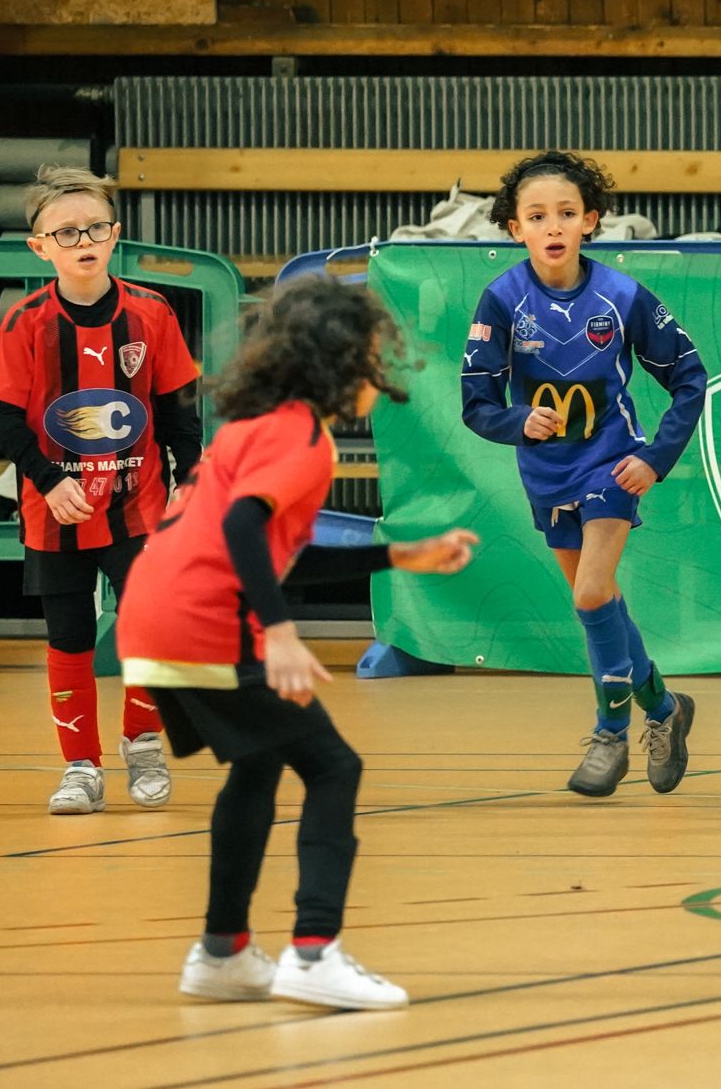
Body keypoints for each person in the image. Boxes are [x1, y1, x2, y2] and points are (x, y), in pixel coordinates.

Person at [118, 276, 479, 1009]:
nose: (383, 368)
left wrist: (398, 556)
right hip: (205, 618)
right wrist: (278, 632)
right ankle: (315, 952)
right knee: (333, 766)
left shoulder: (256, 425)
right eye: (375, 354)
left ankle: (223, 952)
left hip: (153, 611)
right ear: (342, 362)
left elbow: (272, 549)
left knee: (256, 766)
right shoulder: (304, 440)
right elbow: (242, 530)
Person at [461, 151, 706, 798]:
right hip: (546, 474)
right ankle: (664, 708)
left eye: (567, 213)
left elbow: (690, 378)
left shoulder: (622, 295)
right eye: (537, 216)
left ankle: (609, 731)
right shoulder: (503, 299)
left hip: (611, 464)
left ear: (590, 221)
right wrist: (518, 421)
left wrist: (655, 457)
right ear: (516, 228)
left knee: (592, 592)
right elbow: (476, 402)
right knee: (597, 600)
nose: (553, 225)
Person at [0, 165, 201, 815]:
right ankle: (80, 767)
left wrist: (191, 475)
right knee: (70, 635)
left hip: (139, 507)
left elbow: (178, 410)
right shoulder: (26, 322)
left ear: (115, 235)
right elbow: (5, 415)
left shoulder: (151, 314)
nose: (83, 239)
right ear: (39, 246)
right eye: (65, 231)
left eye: (95, 227)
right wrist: (47, 483)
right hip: (59, 513)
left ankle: (144, 746)